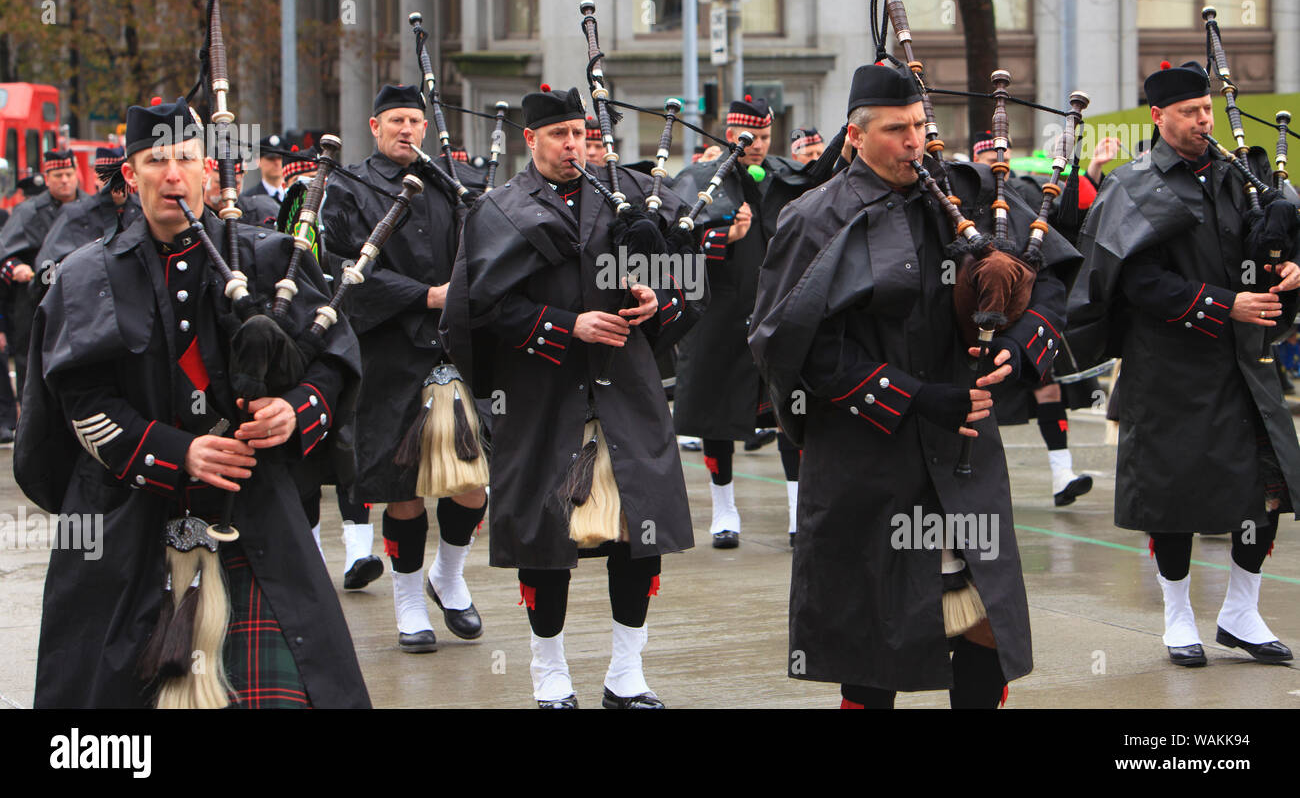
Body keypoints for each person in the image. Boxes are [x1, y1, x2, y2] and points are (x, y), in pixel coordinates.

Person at [14, 96, 369, 707]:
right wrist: (179, 453)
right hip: (126, 522)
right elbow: (81, 405)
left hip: (253, 510)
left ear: (208, 170)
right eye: (156, 160)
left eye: (185, 158)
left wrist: (298, 409)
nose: (172, 173)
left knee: (297, 686)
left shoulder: (269, 258)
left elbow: (335, 357)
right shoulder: (84, 274)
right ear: (130, 175)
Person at [750, 63, 1078, 708]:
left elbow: (1056, 278)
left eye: (921, 126)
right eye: (896, 129)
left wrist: (1018, 344)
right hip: (867, 459)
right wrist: (913, 395)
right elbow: (787, 342)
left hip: (966, 456)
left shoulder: (971, 193)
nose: (913, 141)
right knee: (872, 642)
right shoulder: (814, 217)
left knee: (986, 631)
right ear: (856, 134)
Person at [443, 84, 697, 707]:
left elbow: (685, 276)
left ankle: (626, 674)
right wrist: (565, 326)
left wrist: (656, 300)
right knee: (546, 541)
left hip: (627, 392)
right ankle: (548, 671)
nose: (573, 144)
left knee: (639, 533)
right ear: (531, 140)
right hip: (544, 398)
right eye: (559, 135)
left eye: (580, 132)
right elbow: (473, 312)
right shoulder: (498, 210)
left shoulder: (631, 195)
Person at [1068, 60, 1300, 667]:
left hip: (1244, 361)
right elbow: (1137, 281)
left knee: (1266, 490)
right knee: (1173, 497)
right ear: (1158, 117)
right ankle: (1177, 615)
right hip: (1169, 366)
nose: (1204, 121)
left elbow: (1264, 254)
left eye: (1206, 110)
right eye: (1190, 113)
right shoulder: (1132, 184)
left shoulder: (1238, 177)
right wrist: (1225, 304)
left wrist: (1288, 274)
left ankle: (1240, 613)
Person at [322, 83, 487, 651]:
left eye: (415, 121)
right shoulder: (349, 186)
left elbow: (482, 251)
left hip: (454, 351)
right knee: (404, 489)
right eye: (395, 120)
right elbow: (339, 265)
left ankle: (449, 573)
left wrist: (459, 298)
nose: (407, 130)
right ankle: (409, 599)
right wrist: (424, 296)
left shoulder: (450, 183)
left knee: (472, 482)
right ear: (374, 126)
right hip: (388, 354)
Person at [968, 132, 1093, 507]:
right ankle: (971, 481)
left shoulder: (1024, 190)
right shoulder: (961, 194)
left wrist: (1083, 166)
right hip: (971, 313)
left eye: (998, 155)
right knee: (974, 396)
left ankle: (1062, 473)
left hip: (1025, 308)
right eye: (986, 158)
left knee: (1047, 388)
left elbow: (1076, 210)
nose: (994, 164)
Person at [672, 95, 774, 547]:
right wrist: (722, 235)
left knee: (789, 415)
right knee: (716, 422)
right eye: (752, 138)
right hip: (720, 314)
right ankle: (723, 507)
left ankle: (797, 513)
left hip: (772, 312)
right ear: (730, 136)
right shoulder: (699, 179)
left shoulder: (777, 178)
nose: (760, 146)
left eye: (768, 137)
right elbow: (674, 244)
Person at [0, 148, 87, 397]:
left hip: (81, 298)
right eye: (58, 175)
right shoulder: (27, 212)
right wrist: (15, 267)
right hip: (34, 301)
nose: (64, 180)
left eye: (69, 174)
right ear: (47, 178)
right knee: (31, 365)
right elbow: (4, 253)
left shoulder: (91, 207)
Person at [34, 146, 141, 298]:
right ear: (96, 178)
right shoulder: (75, 213)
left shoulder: (144, 211)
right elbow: (46, 268)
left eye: (120, 175)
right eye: (109, 176)